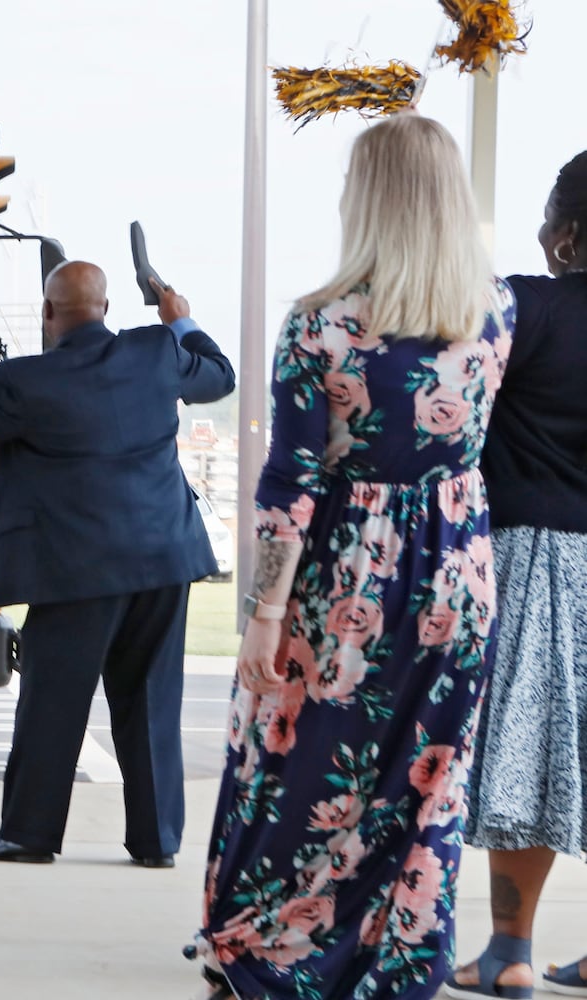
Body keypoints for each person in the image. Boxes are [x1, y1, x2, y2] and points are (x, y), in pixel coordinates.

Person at [192, 114, 513, 1000]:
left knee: (298, 757)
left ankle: (270, 947)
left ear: (365, 200)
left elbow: (289, 479)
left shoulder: (318, 324)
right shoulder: (492, 315)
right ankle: (398, 962)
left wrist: (261, 612)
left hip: (349, 571)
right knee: (426, 778)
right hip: (457, 568)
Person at [0, 258, 233, 870]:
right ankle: (156, 841)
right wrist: (179, 320)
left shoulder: (25, 381)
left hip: (77, 573)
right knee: (152, 702)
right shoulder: (157, 352)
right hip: (163, 560)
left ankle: (29, 833)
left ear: (49, 314)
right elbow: (220, 377)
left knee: (52, 702)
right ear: (105, 309)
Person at [447, 151, 587, 999]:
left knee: (528, 759)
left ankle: (508, 951)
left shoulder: (524, 305)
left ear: (565, 234)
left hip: (535, 551)